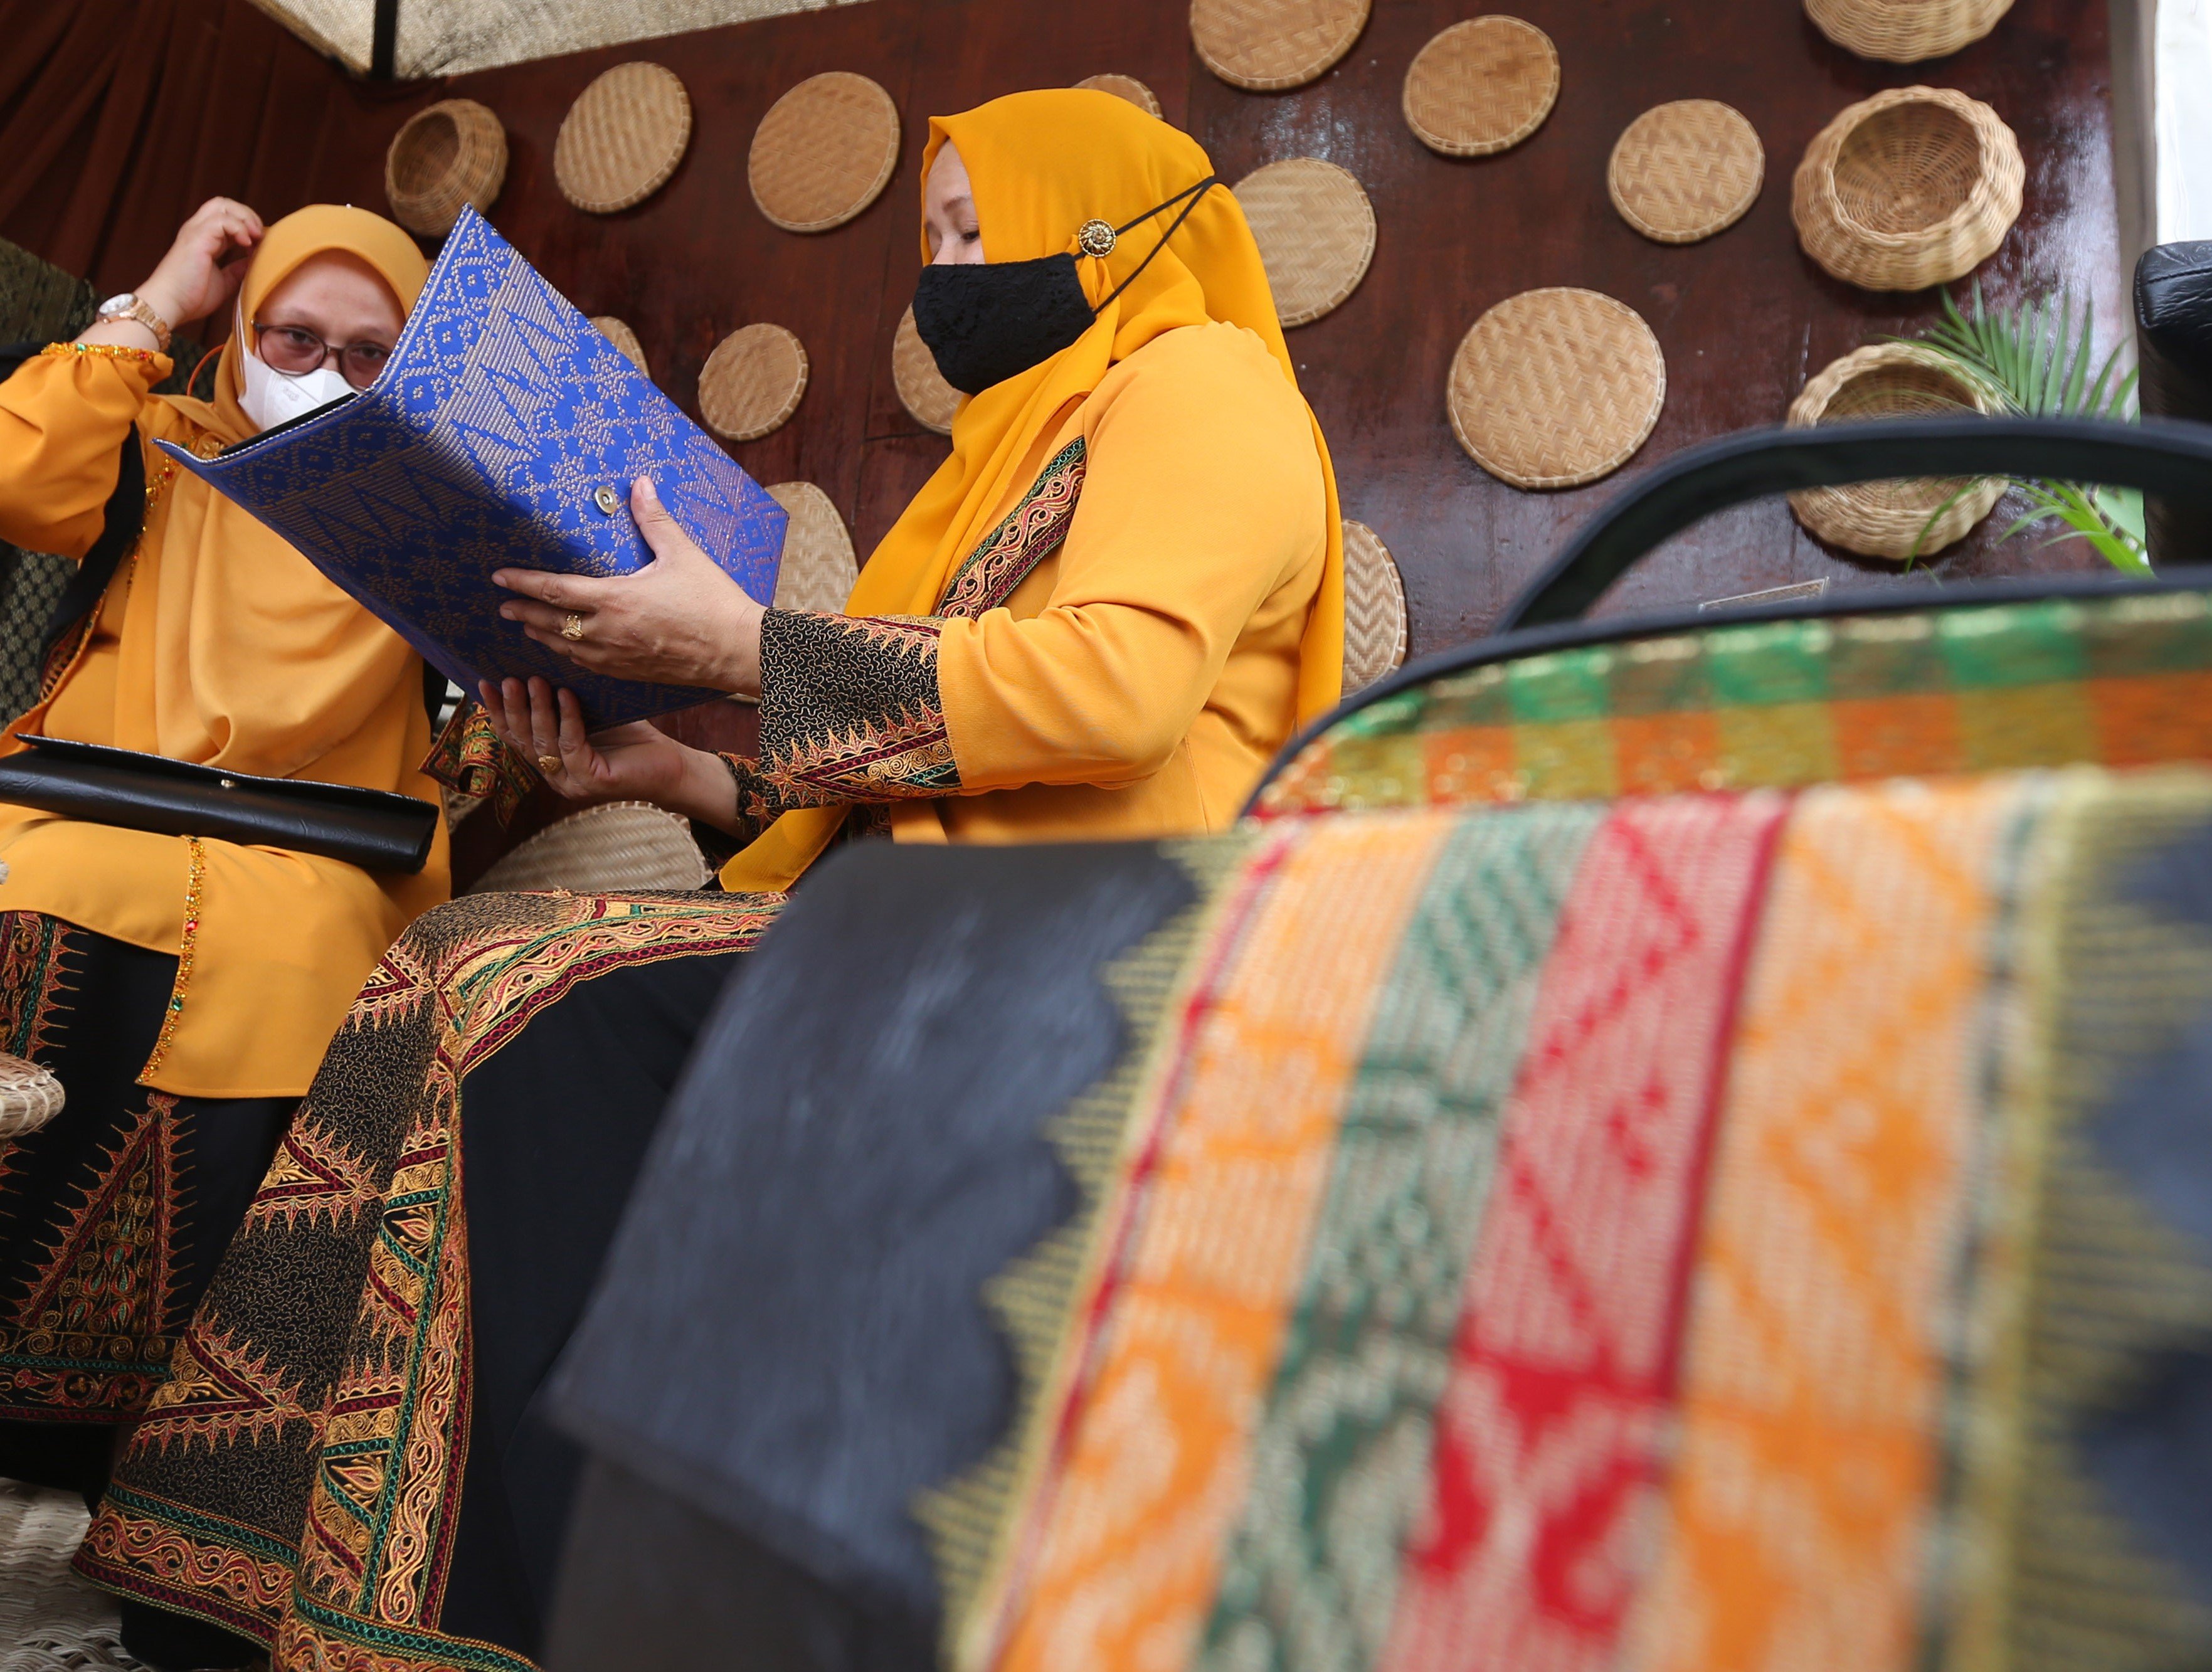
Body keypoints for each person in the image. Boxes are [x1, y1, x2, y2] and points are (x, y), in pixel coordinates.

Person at [77, 90, 1345, 1672]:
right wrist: (680, 772)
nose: (941, 269)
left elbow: (1110, 699)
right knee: (462, 962)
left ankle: (485, 1607)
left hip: (1065, 963)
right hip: (914, 930)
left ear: (1100, 221)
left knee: (506, 998)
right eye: (931, 236)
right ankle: (243, 1567)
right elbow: (940, 766)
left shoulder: (1198, 380)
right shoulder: (1022, 441)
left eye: (970, 226)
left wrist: (734, 648)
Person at [0, 203, 448, 1518]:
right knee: (26, 901)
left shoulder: (434, 513)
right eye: (294, 334)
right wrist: (155, 303)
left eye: (370, 354)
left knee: (314, 973)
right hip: (88, 811)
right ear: (243, 331)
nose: (321, 370)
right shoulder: (154, 444)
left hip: (324, 859)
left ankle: (174, 1480)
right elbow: (20, 478)